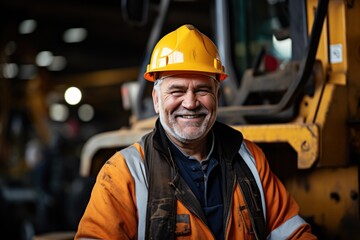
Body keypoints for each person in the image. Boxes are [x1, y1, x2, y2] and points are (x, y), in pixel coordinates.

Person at [75, 24, 317, 240]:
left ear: (217, 97)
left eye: (202, 90)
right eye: (177, 91)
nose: (190, 103)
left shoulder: (250, 159)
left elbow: (293, 233)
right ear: (157, 100)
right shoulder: (124, 173)